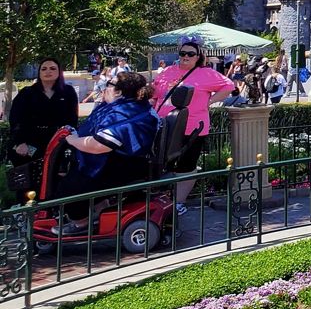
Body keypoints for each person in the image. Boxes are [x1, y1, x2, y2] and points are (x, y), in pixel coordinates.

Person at [52, 71, 159, 233]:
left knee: (69, 187)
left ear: (119, 91)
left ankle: (81, 222)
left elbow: (100, 145)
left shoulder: (124, 113)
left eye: (109, 84)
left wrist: (72, 140)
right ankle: (100, 208)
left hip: (124, 165)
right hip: (126, 160)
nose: (105, 87)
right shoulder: (129, 106)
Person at [152, 37, 234, 215]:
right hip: (164, 126)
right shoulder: (167, 71)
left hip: (192, 127)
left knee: (186, 165)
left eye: (190, 54)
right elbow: (155, 94)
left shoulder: (206, 74)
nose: (186, 57)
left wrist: (209, 101)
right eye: (183, 53)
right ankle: (162, 201)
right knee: (161, 164)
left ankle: (178, 202)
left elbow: (229, 85)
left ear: (198, 56)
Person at [8, 58, 79, 166]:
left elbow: (72, 119)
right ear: (39, 72)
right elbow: (16, 119)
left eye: (52, 68)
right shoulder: (27, 93)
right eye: (44, 69)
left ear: (59, 72)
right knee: (34, 171)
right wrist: (20, 142)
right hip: (30, 142)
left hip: (59, 140)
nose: (48, 71)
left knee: (58, 173)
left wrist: (69, 140)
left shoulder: (68, 92)